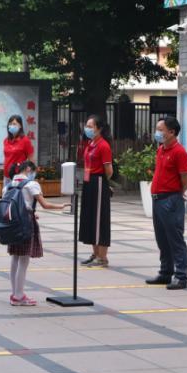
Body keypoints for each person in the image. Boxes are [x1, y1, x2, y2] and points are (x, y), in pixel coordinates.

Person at [6, 161, 67, 306]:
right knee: (24, 259)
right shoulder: (31, 184)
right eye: (33, 171)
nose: (34, 174)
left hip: (12, 223)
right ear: (28, 169)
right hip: (26, 223)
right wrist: (61, 206)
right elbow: (45, 205)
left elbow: (10, 205)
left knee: (15, 257)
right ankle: (19, 296)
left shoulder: (9, 184)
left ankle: (14, 293)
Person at [145, 117, 187, 290]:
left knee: (175, 239)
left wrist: (177, 194)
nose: (157, 132)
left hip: (170, 200)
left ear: (172, 132)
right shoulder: (161, 150)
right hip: (158, 199)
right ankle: (165, 272)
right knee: (162, 239)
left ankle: (181, 276)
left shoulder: (179, 152)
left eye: (160, 129)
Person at [79, 115, 113, 268]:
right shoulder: (90, 144)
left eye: (90, 126)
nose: (87, 129)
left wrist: (104, 183)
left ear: (99, 129)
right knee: (90, 218)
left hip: (98, 182)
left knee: (100, 220)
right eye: (86, 126)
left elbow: (109, 171)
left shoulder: (103, 146)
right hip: (88, 182)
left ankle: (102, 257)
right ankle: (95, 253)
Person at [2, 114, 35, 181]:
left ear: (20, 126)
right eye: (10, 124)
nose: (12, 126)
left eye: (14, 124)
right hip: (6, 176)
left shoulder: (25, 140)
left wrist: (30, 176)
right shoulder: (6, 140)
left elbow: (31, 160)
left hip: (19, 176)